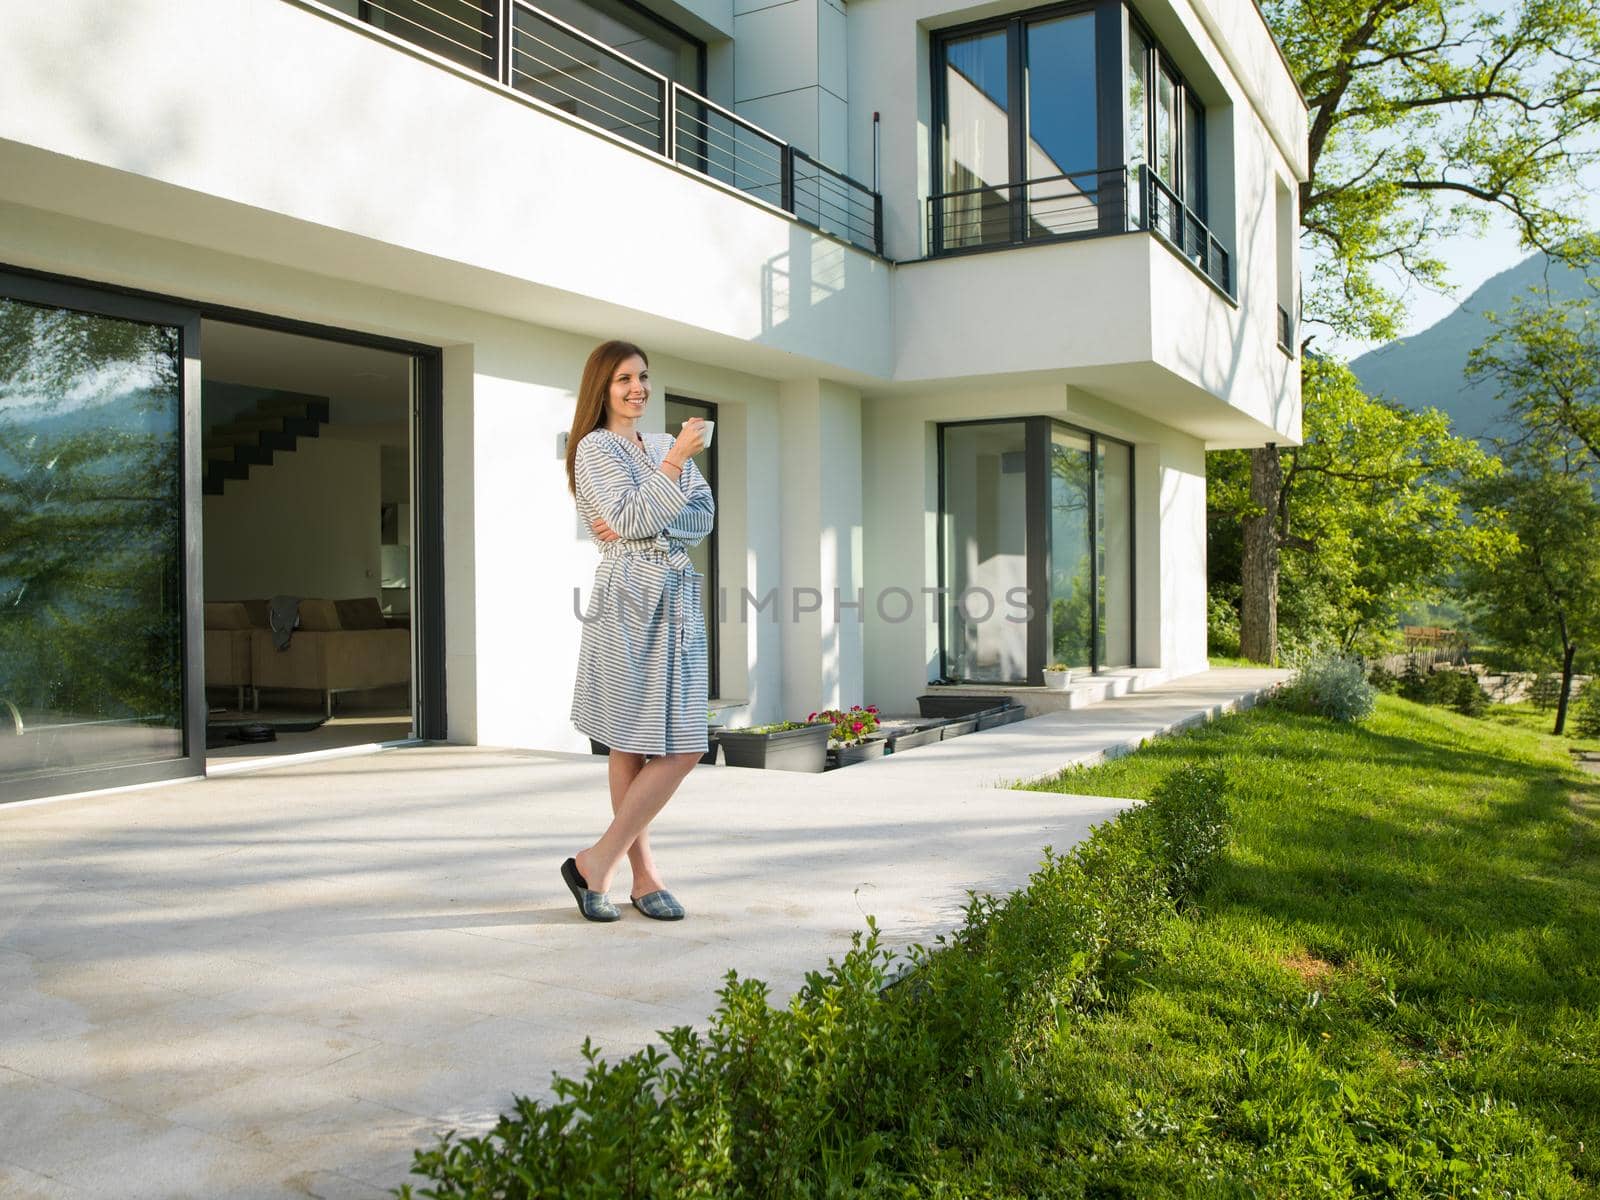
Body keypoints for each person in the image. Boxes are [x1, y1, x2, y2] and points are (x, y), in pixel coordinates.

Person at [561, 340, 714, 922]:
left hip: (674, 591)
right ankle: (638, 875)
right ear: (602, 387)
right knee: (635, 738)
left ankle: (598, 864)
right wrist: (674, 465)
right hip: (629, 595)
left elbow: (702, 515)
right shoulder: (595, 448)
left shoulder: (654, 445)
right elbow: (629, 520)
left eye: (643, 377)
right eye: (624, 378)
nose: (638, 388)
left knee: (680, 742)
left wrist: (649, 513)